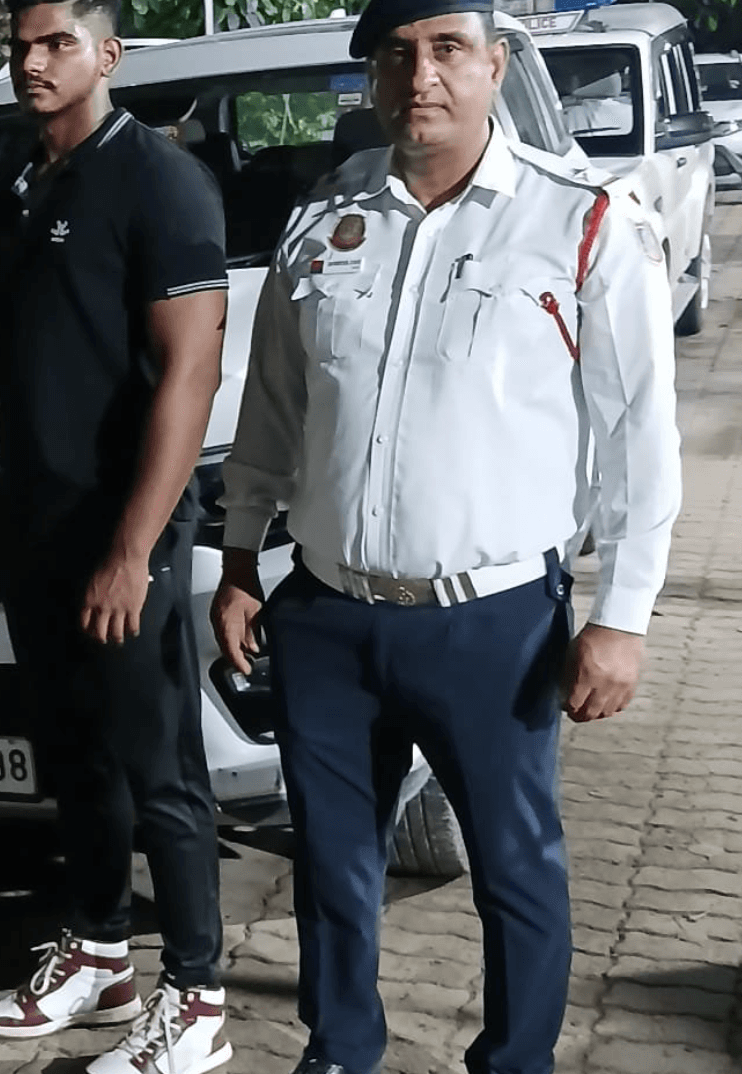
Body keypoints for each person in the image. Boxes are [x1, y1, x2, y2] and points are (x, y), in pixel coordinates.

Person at [210, 2, 682, 1072]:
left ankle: (513, 1060)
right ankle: (339, 1048)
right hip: (325, 613)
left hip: (493, 622)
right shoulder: (327, 218)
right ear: (372, 77)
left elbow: (639, 432)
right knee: (333, 864)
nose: (418, 75)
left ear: (496, 65)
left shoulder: (581, 219)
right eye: (395, 55)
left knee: (515, 869)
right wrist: (240, 561)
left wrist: (625, 616)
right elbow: (273, 406)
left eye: (446, 49)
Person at [0, 2, 233, 1071]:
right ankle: (99, 953)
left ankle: (200, 998)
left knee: (159, 769)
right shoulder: (17, 180)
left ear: (107, 54)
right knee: (74, 755)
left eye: (55, 45)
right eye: (18, 47)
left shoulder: (160, 183)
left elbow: (193, 372)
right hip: (34, 521)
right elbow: (12, 371)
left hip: (121, 530)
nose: (30, 64)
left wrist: (134, 547)